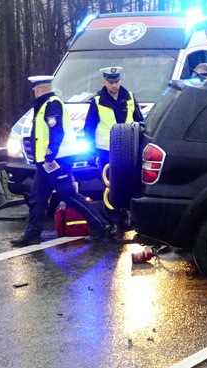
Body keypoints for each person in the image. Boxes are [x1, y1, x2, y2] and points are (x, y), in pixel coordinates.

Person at [11, 76, 110, 247]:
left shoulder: (52, 104)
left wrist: (50, 155)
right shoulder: (45, 105)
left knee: (69, 195)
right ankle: (32, 235)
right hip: (47, 163)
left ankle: (100, 226)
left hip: (57, 161)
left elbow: (57, 132)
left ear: (37, 89)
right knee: (37, 197)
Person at [83, 67, 143, 225]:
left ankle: (127, 216)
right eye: (110, 82)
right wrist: (91, 152)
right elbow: (89, 128)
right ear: (104, 82)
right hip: (106, 151)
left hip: (129, 150)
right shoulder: (97, 101)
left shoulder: (129, 97)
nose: (114, 85)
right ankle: (113, 219)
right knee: (110, 186)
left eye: (116, 81)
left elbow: (139, 122)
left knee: (129, 183)